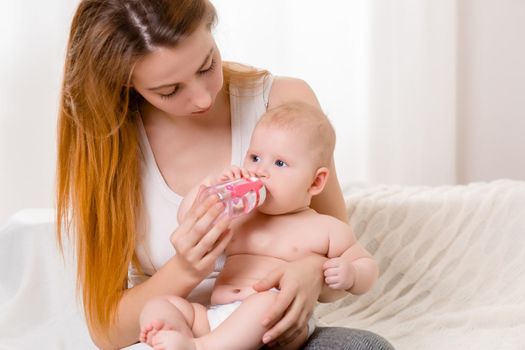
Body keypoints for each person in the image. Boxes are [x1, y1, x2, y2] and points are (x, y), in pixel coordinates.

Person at [55, 1, 394, 349]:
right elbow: (107, 332)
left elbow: (336, 252)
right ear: (125, 84)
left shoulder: (284, 106)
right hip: (184, 332)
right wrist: (186, 269)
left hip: (270, 329)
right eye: (169, 91)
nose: (202, 98)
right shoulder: (110, 144)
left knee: (365, 346)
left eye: (207, 66)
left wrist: (309, 272)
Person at [138, 102, 379, 350]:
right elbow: (187, 216)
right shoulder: (242, 216)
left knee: (266, 302)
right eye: (255, 157)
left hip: (276, 322)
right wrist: (211, 190)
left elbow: (366, 265)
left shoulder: (326, 228)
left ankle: (198, 348)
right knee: (162, 305)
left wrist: (351, 274)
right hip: (217, 317)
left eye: (280, 164)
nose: (260, 171)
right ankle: (170, 335)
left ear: (316, 182)